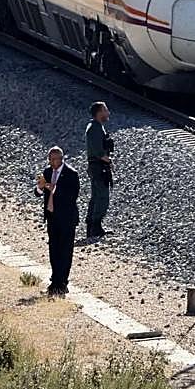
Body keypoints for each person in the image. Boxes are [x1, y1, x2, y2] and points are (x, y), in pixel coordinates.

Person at [36, 146, 80, 296]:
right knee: (54, 250)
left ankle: (62, 282)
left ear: (62, 159)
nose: (54, 162)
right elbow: (38, 192)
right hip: (52, 217)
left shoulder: (71, 174)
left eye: (57, 159)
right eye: (51, 159)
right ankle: (55, 280)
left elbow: (71, 196)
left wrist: (51, 187)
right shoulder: (47, 172)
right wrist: (40, 187)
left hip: (67, 219)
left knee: (65, 251)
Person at [85, 101, 114, 239]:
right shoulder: (95, 128)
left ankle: (92, 226)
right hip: (98, 167)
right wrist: (108, 160)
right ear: (99, 112)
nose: (108, 112)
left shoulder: (96, 127)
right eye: (105, 110)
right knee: (102, 196)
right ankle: (95, 227)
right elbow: (98, 151)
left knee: (96, 196)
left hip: (96, 166)